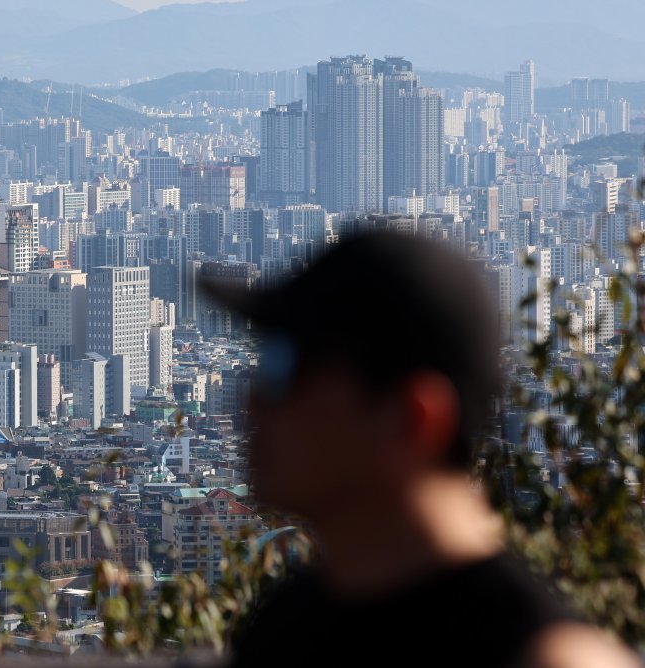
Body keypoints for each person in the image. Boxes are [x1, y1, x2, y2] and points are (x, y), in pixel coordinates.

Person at [201, 232, 637, 668]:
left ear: (414, 418)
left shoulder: (549, 658)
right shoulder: (285, 627)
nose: (254, 401)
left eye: (286, 368)